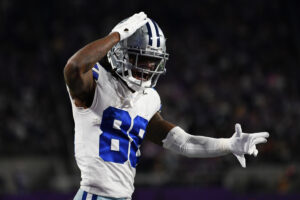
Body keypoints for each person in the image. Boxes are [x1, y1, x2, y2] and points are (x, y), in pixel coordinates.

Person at [64, 12, 269, 200]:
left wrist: (227, 145)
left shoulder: (147, 98)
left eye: (153, 61)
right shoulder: (96, 83)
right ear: (120, 53)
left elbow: (183, 142)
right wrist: (118, 35)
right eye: (142, 59)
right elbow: (74, 67)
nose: (148, 68)